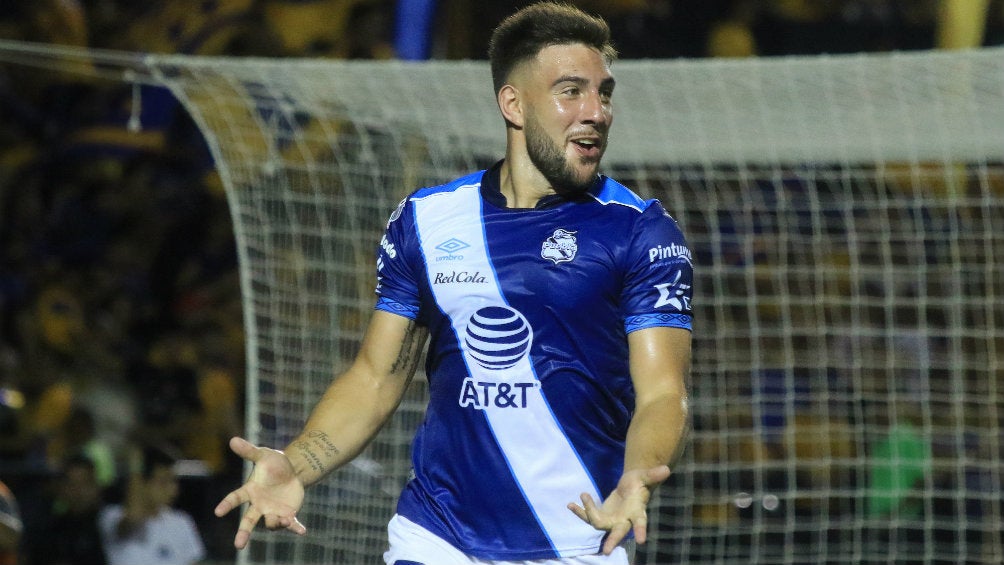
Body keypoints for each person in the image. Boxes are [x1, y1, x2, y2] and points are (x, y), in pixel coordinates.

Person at [214, 2, 693, 564]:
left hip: (581, 539)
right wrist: (295, 464)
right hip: (437, 539)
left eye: (604, 93)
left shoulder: (639, 230)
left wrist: (637, 477)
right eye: (571, 92)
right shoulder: (428, 219)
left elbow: (663, 393)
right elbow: (374, 379)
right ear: (512, 104)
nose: (597, 112)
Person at [98, 446, 206, 565]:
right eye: (163, 482)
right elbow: (134, 518)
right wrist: (135, 469)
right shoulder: (111, 516)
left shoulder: (181, 522)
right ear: (142, 483)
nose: (173, 490)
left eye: (173, 481)